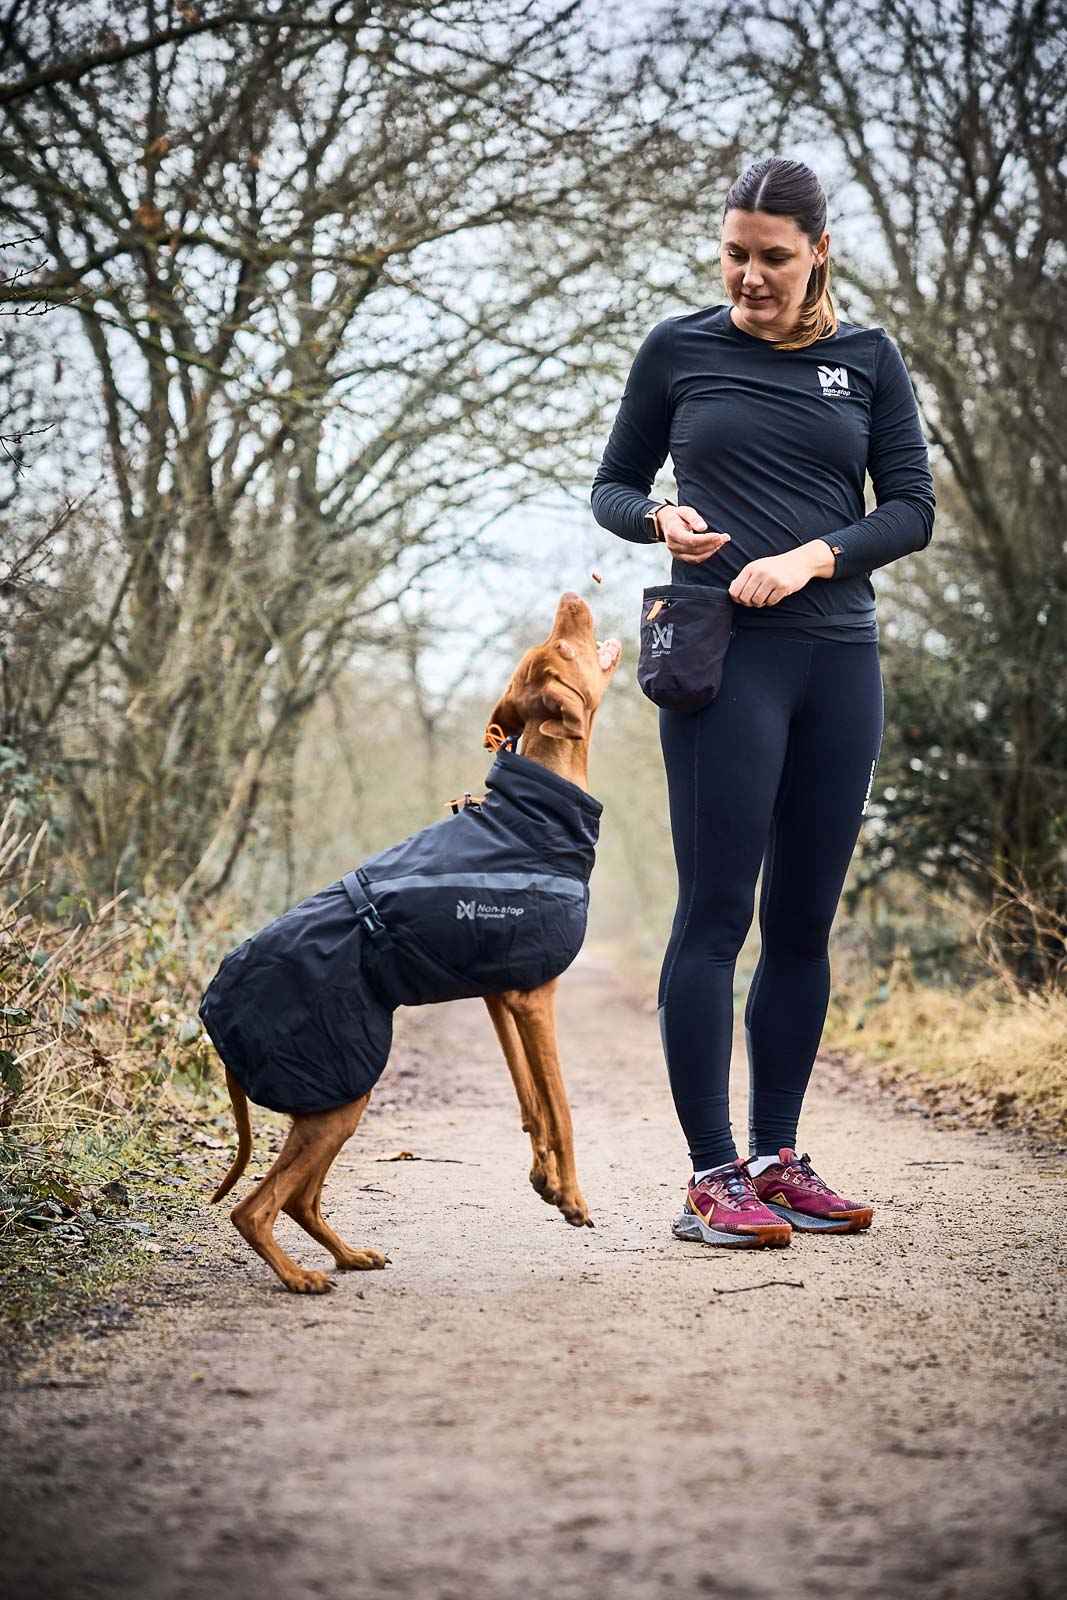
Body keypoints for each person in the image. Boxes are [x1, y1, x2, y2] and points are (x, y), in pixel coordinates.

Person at [590, 156, 935, 1249]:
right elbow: (610, 487)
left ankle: (777, 1160)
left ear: (815, 252)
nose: (748, 276)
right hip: (717, 656)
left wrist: (814, 557)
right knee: (712, 916)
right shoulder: (678, 349)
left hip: (836, 659)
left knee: (800, 924)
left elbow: (911, 510)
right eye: (734, 254)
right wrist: (658, 523)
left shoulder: (866, 360)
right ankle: (709, 1177)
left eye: (771, 259)